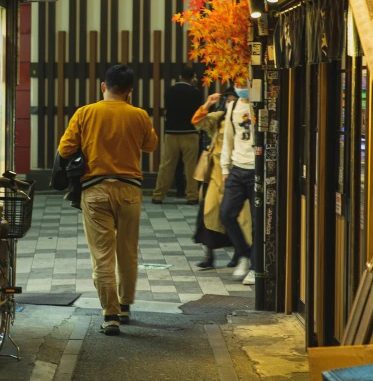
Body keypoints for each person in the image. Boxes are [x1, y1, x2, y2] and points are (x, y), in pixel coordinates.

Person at [58, 65, 158, 336]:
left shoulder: (85, 113)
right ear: (130, 91)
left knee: (102, 256)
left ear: (104, 86)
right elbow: (150, 145)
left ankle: (110, 315)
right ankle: (125, 305)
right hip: (129, 191)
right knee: (127, 251)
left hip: (95, 190)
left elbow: (65, 149)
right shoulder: (138, 115)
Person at [191, 89, 252, 269]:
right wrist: (207, 104)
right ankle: (209, 254)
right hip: (217, 173)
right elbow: (197, 121)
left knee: (242, 218)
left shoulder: (247, 117)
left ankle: (240, 254)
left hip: (239, 171)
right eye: (228, 100)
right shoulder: (219, 117)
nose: (230, 103)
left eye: (234, 99)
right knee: (209, 214)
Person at [220, 84, 257, 285]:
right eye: (239, 83)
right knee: (226, 214)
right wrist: (225, 167)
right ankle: (244, 253)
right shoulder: (232, 107)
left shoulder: (260, 103)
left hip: (256, 168)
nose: (242, 86)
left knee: (256, 221)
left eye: (245, 82)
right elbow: (228, 138)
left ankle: (254, 266)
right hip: (237, 167)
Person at [152, 67, 203, 204]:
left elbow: (167, 111)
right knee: (191, 166)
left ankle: (158, 195)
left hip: (171, 133)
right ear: (192, 77)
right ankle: (192, 196)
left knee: (167, 164)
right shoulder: (196, 93)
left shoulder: (169, 92)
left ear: (180, 77)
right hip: (190, 133)